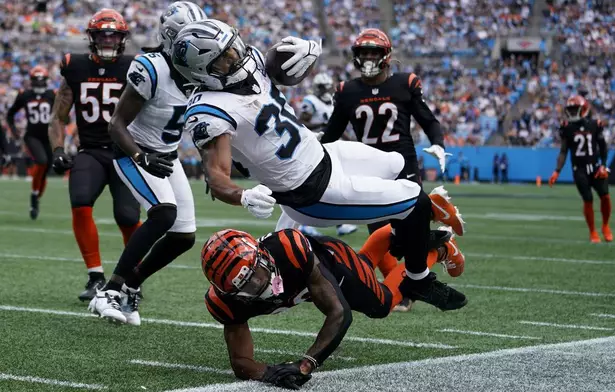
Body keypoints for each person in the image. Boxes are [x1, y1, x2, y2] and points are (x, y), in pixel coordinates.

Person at [173, 19, 466, 311]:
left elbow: (276, 63)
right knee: (415, 202)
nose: (236, 56)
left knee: (397, 163)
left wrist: (300, 48)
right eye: (225, 57)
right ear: (203, 72)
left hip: (325, 155)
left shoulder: (245, 65)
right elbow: (216, 175)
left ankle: (408, 240)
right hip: (314, 191)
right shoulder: (209, 112)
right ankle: (418, 279)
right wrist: (243, 195)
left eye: (233, 47)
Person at [201, 226, 466, 389]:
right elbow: (240, 362)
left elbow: (339, 313)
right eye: (244, 286)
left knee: (382, 303)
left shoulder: (289, 250)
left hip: (334, 264)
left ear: (263, 255)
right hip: (318, 276)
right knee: (365, 269)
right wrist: (270, 373)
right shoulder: (225, 302)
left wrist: (305, 365)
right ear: (227, 291)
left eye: (257, 273)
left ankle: (434, 251)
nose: (258, 284)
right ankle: (391, 236)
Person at [319, 28, 456, 312]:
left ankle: (425, 265)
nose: (368, 58)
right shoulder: (347, 91)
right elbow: (331, 134)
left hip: (403, 164)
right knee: (381, 233)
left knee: (406, 234)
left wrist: (439, 143)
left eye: (374, 52)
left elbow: (427, 119)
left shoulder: (404, 84)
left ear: (386, 56)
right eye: (364, 53)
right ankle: (406, 280)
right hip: (369, 168)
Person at [88, 2, 205, 325]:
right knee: (164, 213)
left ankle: (131, 286)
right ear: (172, 38)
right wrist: (141, 156)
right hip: (132, 151)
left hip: (167, 156)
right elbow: (116, 124)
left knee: (184, 236)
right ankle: (108, 292)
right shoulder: (152, 67)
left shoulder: (203, 73)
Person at [48, 9, 142, 301]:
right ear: (92, 37)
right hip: (90, 151)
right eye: (103, 34)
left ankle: (132, 279)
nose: (109, 39)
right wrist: (58, 148)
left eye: (114, 34)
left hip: (124, 152)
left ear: (122, 38)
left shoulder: (135, 67)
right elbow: (58, 116)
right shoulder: (74, 66)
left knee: (127, 217)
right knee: (80, 202)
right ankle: (95, 276)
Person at [287, 72, 358, 238]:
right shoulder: (310, 101)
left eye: (326, 87)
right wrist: (322, 125)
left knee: (334, 184)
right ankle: (304, 225)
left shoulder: (331, 103)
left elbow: (335, 126)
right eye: (322, 87)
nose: (325, 90)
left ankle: (340, 223)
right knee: (315, 185)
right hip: (313, 147)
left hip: (328, 147)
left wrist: (351, 140)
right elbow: (301, 122)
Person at [549, 95, 612, 243]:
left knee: (606, 197)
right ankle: (593, 232)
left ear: (584, 109)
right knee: (588, 200)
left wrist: (603, 165)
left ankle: (605, 225)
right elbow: (563, 151)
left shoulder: (595, 124)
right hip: (579, 169)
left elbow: (603, 147)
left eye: (575, 109)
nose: (571, 112)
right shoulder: (567, 128)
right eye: (570, 109)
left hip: (596, 167)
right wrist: (557, 170)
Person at [6, 65, 56, 219]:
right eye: (37, 80)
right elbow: (10, 115)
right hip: (32, 135)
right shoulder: (25, 95)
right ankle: (34, 197)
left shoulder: (52, 94)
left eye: (42, 80)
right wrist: (15, 132)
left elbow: (62, 113)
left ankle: (36, 197)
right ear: (32, 81)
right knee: (41, 161)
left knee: (45, 170)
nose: (39, 83)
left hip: (48, 137)